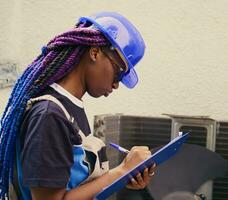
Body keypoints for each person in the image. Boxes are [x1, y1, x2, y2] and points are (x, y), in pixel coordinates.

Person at [0, 12, 155, 200]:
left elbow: (75, 188)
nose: (116, 84)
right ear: (95, 53)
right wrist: (122, 171)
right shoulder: (49, 115)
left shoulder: (69, 107)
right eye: (119, 72)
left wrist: (124, 176)